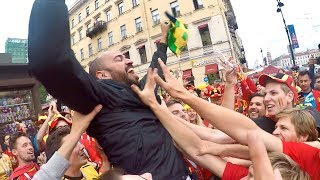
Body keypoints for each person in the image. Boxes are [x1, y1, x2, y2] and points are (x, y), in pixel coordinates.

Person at [28, 0, 189, 178]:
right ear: (101, 75)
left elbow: (155, 70)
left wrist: (164, 39)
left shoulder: (140, 92)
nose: (130, 61)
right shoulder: (100, 97)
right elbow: (51, 60)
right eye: (119, 59)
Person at [148, 60, 320, 179]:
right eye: (265, 93)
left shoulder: (311, 124)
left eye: (273, 93)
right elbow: (213, 136)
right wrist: (165, 113)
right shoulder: (264, 123)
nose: (267, 98)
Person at [32, 105, 102, 180]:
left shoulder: (88, 168)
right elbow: (39, 139)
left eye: (77, 142)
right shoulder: (49, 142)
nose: (82, 147)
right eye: (73, 145)